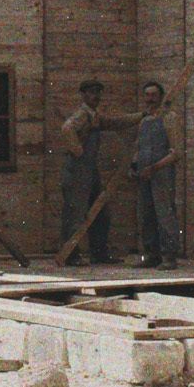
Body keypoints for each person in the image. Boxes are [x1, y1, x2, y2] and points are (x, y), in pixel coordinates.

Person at [60, 80, 140, 265]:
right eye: (91, 92)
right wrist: (77, 150)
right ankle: (70, 256)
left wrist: (140, 116)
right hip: (78, 170)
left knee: (100, 212)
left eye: (98, 92)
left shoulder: (94, 116)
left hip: (89, 171)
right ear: (83, 95)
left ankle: (99, 253)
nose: (96, 96)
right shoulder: (82, 115)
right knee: (75, 214)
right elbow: (67, 128)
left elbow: (115, 122)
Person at [129, 80, 181, 267]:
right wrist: (134, 166)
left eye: (153, 95)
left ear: (161, 97)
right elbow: (139, 147)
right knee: (147, 214)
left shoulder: (169, 118)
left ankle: (169, 256)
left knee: (165, 213)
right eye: (147, 95)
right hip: (144, 175)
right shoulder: (144, 121)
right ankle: (151, 255)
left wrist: (155, 167)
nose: (150, 99)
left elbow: (176, 153)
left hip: (161, 174)